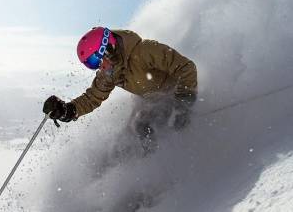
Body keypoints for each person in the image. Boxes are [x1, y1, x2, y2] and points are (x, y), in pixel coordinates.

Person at [43, 27, 197, 144]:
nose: (98, 67)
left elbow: (186, 68)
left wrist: (183, 104)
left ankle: (175, 160)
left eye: (95, 61)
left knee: (149, 127)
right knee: (136, 130)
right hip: (152, 101)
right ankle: (146, 165)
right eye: (90, 64)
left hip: (176, 95)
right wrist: (67, 110)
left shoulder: (144, 51)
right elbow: (92, 98)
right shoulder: (109, 72)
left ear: (108, 48)